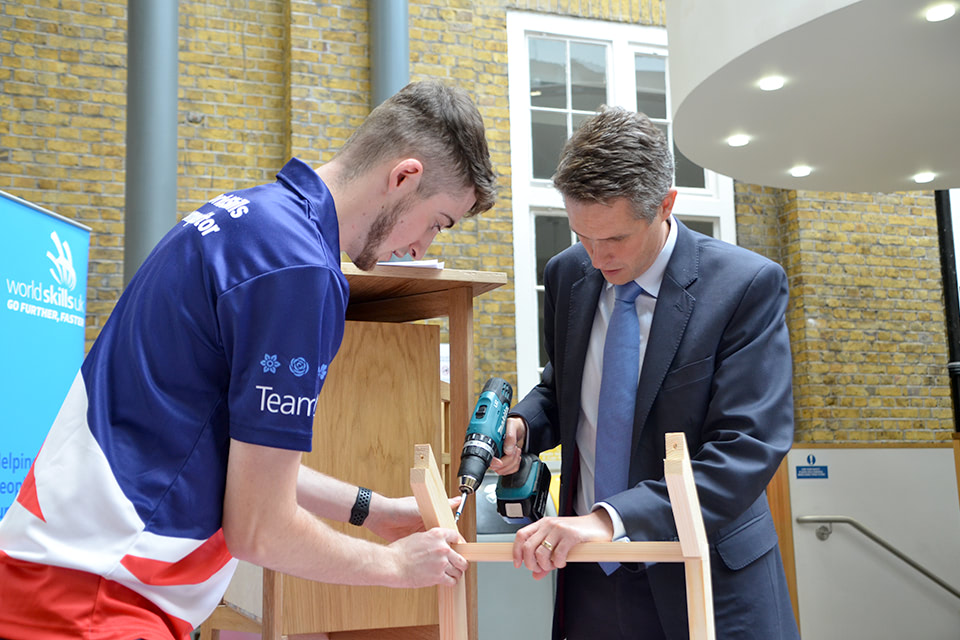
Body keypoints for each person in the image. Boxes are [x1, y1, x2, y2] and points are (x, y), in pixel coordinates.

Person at [0, 80, 497, 639]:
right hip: (98, 600)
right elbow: (259, 526)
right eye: (438, 222)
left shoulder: (250, 220)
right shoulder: (300, 273)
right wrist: (396, 566)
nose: (423, 248)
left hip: (59, 573)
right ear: (404, 176)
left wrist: (374, 509)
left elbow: (232, 453)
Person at [491, 106, 799, 639]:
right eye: (582, 235)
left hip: (705, 576)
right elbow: (564, 392)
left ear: (666, 206)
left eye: (614, 240)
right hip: (587, 577)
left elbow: (747, 448)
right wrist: (522, 426)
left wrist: (611, 518)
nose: (595, 256)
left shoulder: (746, 286)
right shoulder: (567, 274)